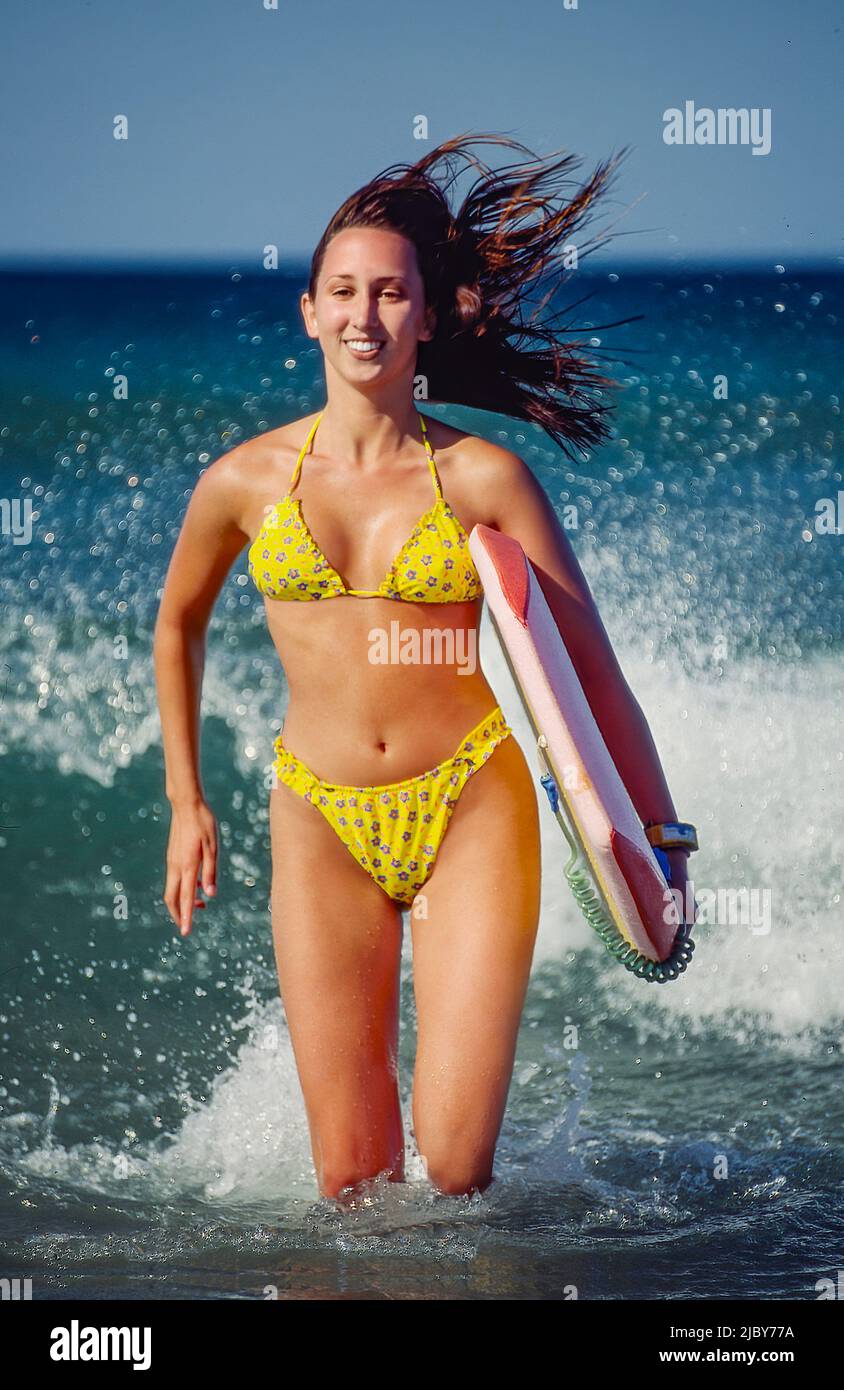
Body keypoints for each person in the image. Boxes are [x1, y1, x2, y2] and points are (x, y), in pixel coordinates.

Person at [154, 133, 694, 1202]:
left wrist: (660, 841)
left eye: (392, 294)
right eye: (343, 292)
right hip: (319, 814)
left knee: (452, 1169)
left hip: (469, 808)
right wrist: (187, 799)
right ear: (307, 310)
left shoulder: (483, 475)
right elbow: (178, 623)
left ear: (430, 314)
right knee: (350, 1179)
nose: (365, 316)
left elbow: (590, 673)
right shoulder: (243, 484)